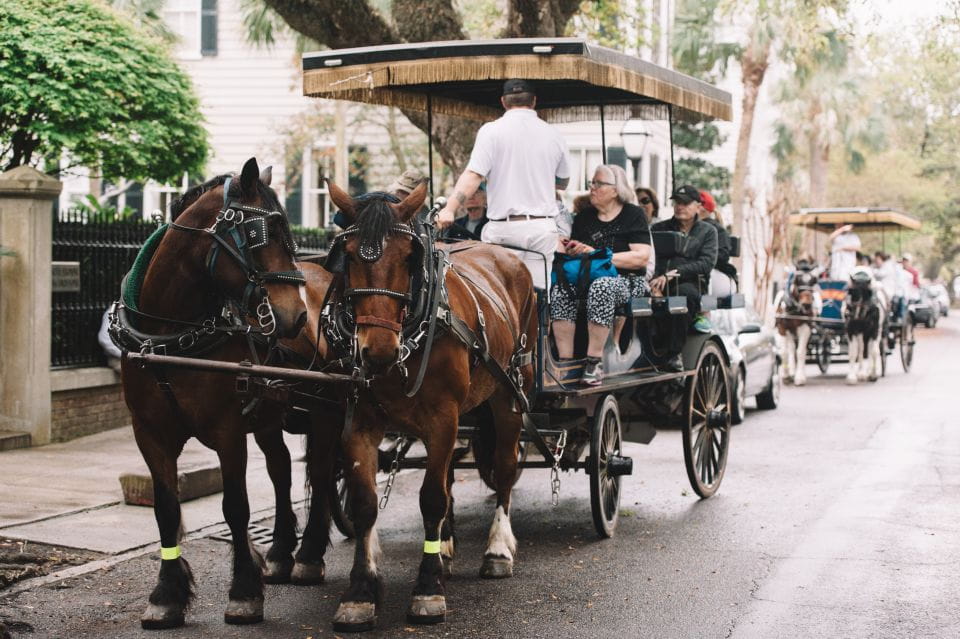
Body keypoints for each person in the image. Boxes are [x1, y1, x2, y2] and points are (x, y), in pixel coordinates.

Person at [437, 79, 570, 290]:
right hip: (541, 226)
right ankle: (539, 324)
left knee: (500, 294)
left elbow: (473, 175)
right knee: (537, 296)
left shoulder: (491, 131)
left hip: (504, 227)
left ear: (503, 102)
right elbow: (562, 182)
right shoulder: (553, 133)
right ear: (534, 101)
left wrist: (450, 209)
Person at [550, 165, 651, 385]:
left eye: (598, 184)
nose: (592, 188)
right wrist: (575, 248)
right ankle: (566, 362)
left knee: (602, 286)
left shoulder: (633, 215)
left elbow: (641, 257)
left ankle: (593, 363)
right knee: (561, 289)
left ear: (616, 189)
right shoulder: (585, 217)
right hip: (587, 276)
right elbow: (579, 252)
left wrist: (597, 255)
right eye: (591, 183)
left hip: (626, 280)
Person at [650, 185, 718, 334]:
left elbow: (706, 263)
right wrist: (655, 282)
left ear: (698, 206)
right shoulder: (658, 228)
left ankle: (674, 354)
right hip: (656, 281)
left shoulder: (708, 231)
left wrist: (674, 273)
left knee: (681, 298)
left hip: (690, 283)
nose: (680, 207)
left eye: (685, 203)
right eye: (677, 202)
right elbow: (650, 258)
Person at [698, 189, 737, 295]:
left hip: (717, 274)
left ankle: (705, 310)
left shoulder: (716, 229)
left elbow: (723, 256)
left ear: (701, 208)